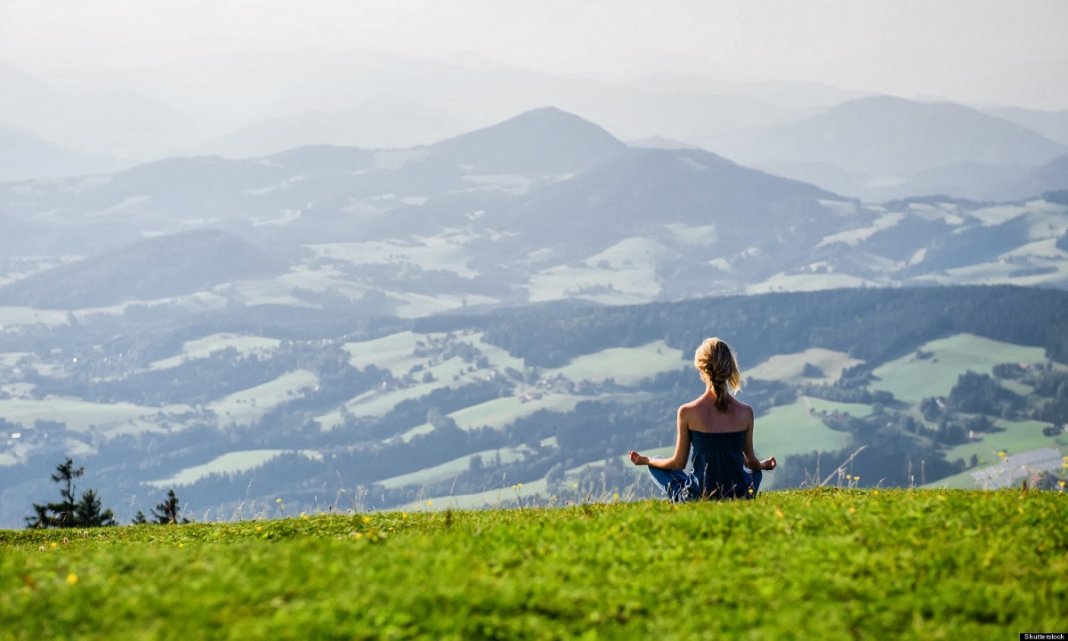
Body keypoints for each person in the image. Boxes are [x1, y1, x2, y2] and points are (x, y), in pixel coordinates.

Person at [629, 337, 776, 502]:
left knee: (656, 462)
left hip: (699, 497)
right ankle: (742, 496)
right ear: (730, 369)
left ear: (702, 370)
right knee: (755, 474)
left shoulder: (687, 412)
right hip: (739, 495)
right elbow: (751, 463)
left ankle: (682, 500)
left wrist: (646, 460)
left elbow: (678, 463)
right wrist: (764, 465)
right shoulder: (746, 412)